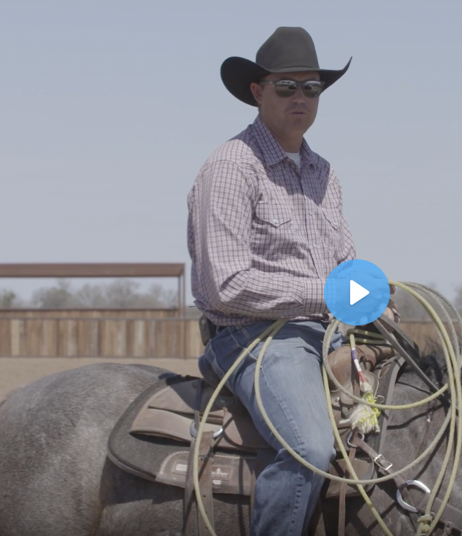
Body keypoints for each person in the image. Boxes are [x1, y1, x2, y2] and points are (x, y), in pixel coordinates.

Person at [186, 26, 392, 535]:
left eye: (311, 88)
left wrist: (374, 302)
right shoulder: (232, 167)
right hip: (249, 337)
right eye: (286, 86)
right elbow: (224, 285)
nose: (300, 97)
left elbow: (345, 266)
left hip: (322, 335)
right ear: (258, 92)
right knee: (309, 448)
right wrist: (326, 295)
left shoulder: (324, 172)